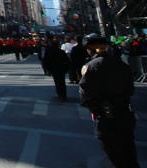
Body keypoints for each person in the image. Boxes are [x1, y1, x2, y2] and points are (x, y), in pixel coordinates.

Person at [79, 34, 137, 168]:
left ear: (90, 49)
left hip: (106, 116)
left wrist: (96, 109)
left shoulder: (91, 66)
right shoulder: (120, 63)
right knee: (129, 153)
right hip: (125, 113)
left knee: (114, 155)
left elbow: (85, 95)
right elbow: (130, 89)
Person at [43, 36, 70, 102]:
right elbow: (67, 61)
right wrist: (67, 69)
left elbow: (46, 61)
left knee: (57, 82)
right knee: (62, 82)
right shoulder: (61, 51)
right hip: (61, 69)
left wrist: (47, 70)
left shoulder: (49, 52)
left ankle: (60, 95)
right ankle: (64, 95)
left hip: (54, 69)